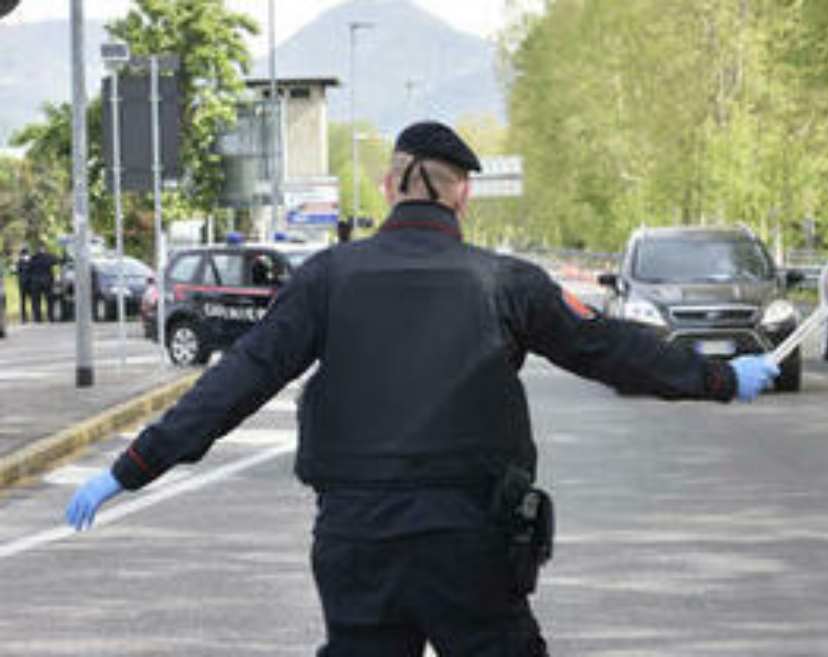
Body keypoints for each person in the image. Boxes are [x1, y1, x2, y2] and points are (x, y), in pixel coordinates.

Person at [65, 121, 780, 656]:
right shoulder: (506, 282)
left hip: (355, 540)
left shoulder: (327, 279)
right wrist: (717, 377)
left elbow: (236, 380)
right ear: (462, 193)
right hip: (470, 539)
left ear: (389, 186)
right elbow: (608, 348)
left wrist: (131, 468)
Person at [26, 245, 57, 323]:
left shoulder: (33, 258)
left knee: (36, 300)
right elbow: (56, 260)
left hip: (35, 282)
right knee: (49, 300)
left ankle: (38, 318)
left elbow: (28, 268)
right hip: (47, 281)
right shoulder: (49, 257)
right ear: (44, 250)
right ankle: (50, 317)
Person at [16, 247, 31, 323]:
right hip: (29, 283)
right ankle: (29, 316)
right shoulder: (30, 261)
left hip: (22, 283)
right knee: (31, 300)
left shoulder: (19, 262)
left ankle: (23, 317)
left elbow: (17, 272)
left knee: (23, 300)